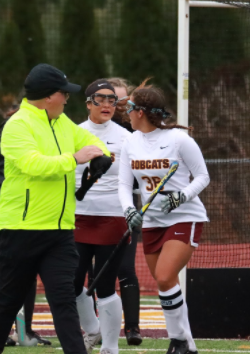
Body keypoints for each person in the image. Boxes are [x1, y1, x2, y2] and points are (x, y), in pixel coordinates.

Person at [0, 63, 111, 354]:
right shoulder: (17, 125)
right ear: (48, 96)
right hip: (20, 230)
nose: (68, 99)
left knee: (64, 300)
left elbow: (90, 140)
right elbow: (34, 164)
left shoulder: (62, 121)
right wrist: (76, 159)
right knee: (6, 303)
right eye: (64, 93)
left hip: (59, 231)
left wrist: (101, 155)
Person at [118, 80, 209, 354]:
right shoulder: (130, 142)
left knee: (166, 276)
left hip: (185, 216)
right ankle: (188, 344)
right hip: (152, 221)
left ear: (141, 112)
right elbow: (124, 185)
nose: (127, 113)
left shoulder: (179, 140)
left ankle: (177, 340)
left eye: (130, 107)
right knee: (163, 281)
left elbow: (203, 176)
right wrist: (129, 210)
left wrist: (181, 197)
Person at [0, 106, 51, 347]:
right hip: (2, 202)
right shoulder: (15, 131)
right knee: (0, 266)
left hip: (25, 203)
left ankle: (24, 331)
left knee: (27, 265)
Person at [73, 79, 132, 354]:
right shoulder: (72, 133)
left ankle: (110, 348)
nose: (107, 104)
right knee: (71, 281)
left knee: (105, 284)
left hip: (112, 216)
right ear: (88, 103)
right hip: (77, 217)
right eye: (100, 99)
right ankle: (93, 329)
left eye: (112, 99)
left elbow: (136, 178)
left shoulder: (126, 137)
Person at [106, 77, 143, 345]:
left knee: (126, 268)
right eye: (110, 100)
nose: (116, 106)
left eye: (121, 101)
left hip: (126, 208)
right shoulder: (89, 130)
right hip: (95, 211)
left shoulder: (135, 132)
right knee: (97, 270)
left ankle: (132, 328)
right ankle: (97, 327)